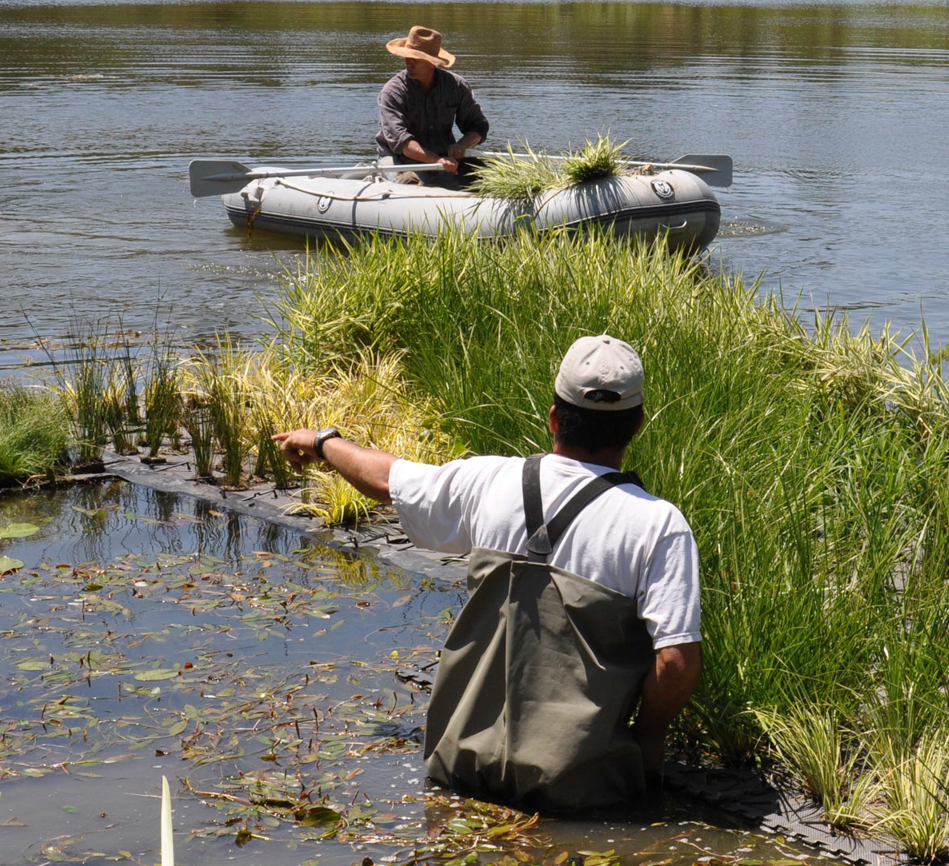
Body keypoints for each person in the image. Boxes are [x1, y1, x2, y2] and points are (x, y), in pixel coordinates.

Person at [273, 335, 701, 813]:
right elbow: (676, 663)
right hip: (579, 791)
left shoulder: (490, 481)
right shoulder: (658, 525)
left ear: (555, 416)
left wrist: (321, 442)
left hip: (460, 769)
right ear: (637, 424)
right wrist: (648, 744)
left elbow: (386, 479)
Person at [377, 25, 490, 189]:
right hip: (398, 157)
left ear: (431, 62)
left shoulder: (456, 86)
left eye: (416, 58)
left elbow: (478, 127)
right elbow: (403, 143)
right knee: (410, 183)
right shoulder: (392, 91)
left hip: (443, 156)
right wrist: (436, 160)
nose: (409, 61)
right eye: (407, 56)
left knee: (487, 176)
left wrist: (462, 145)